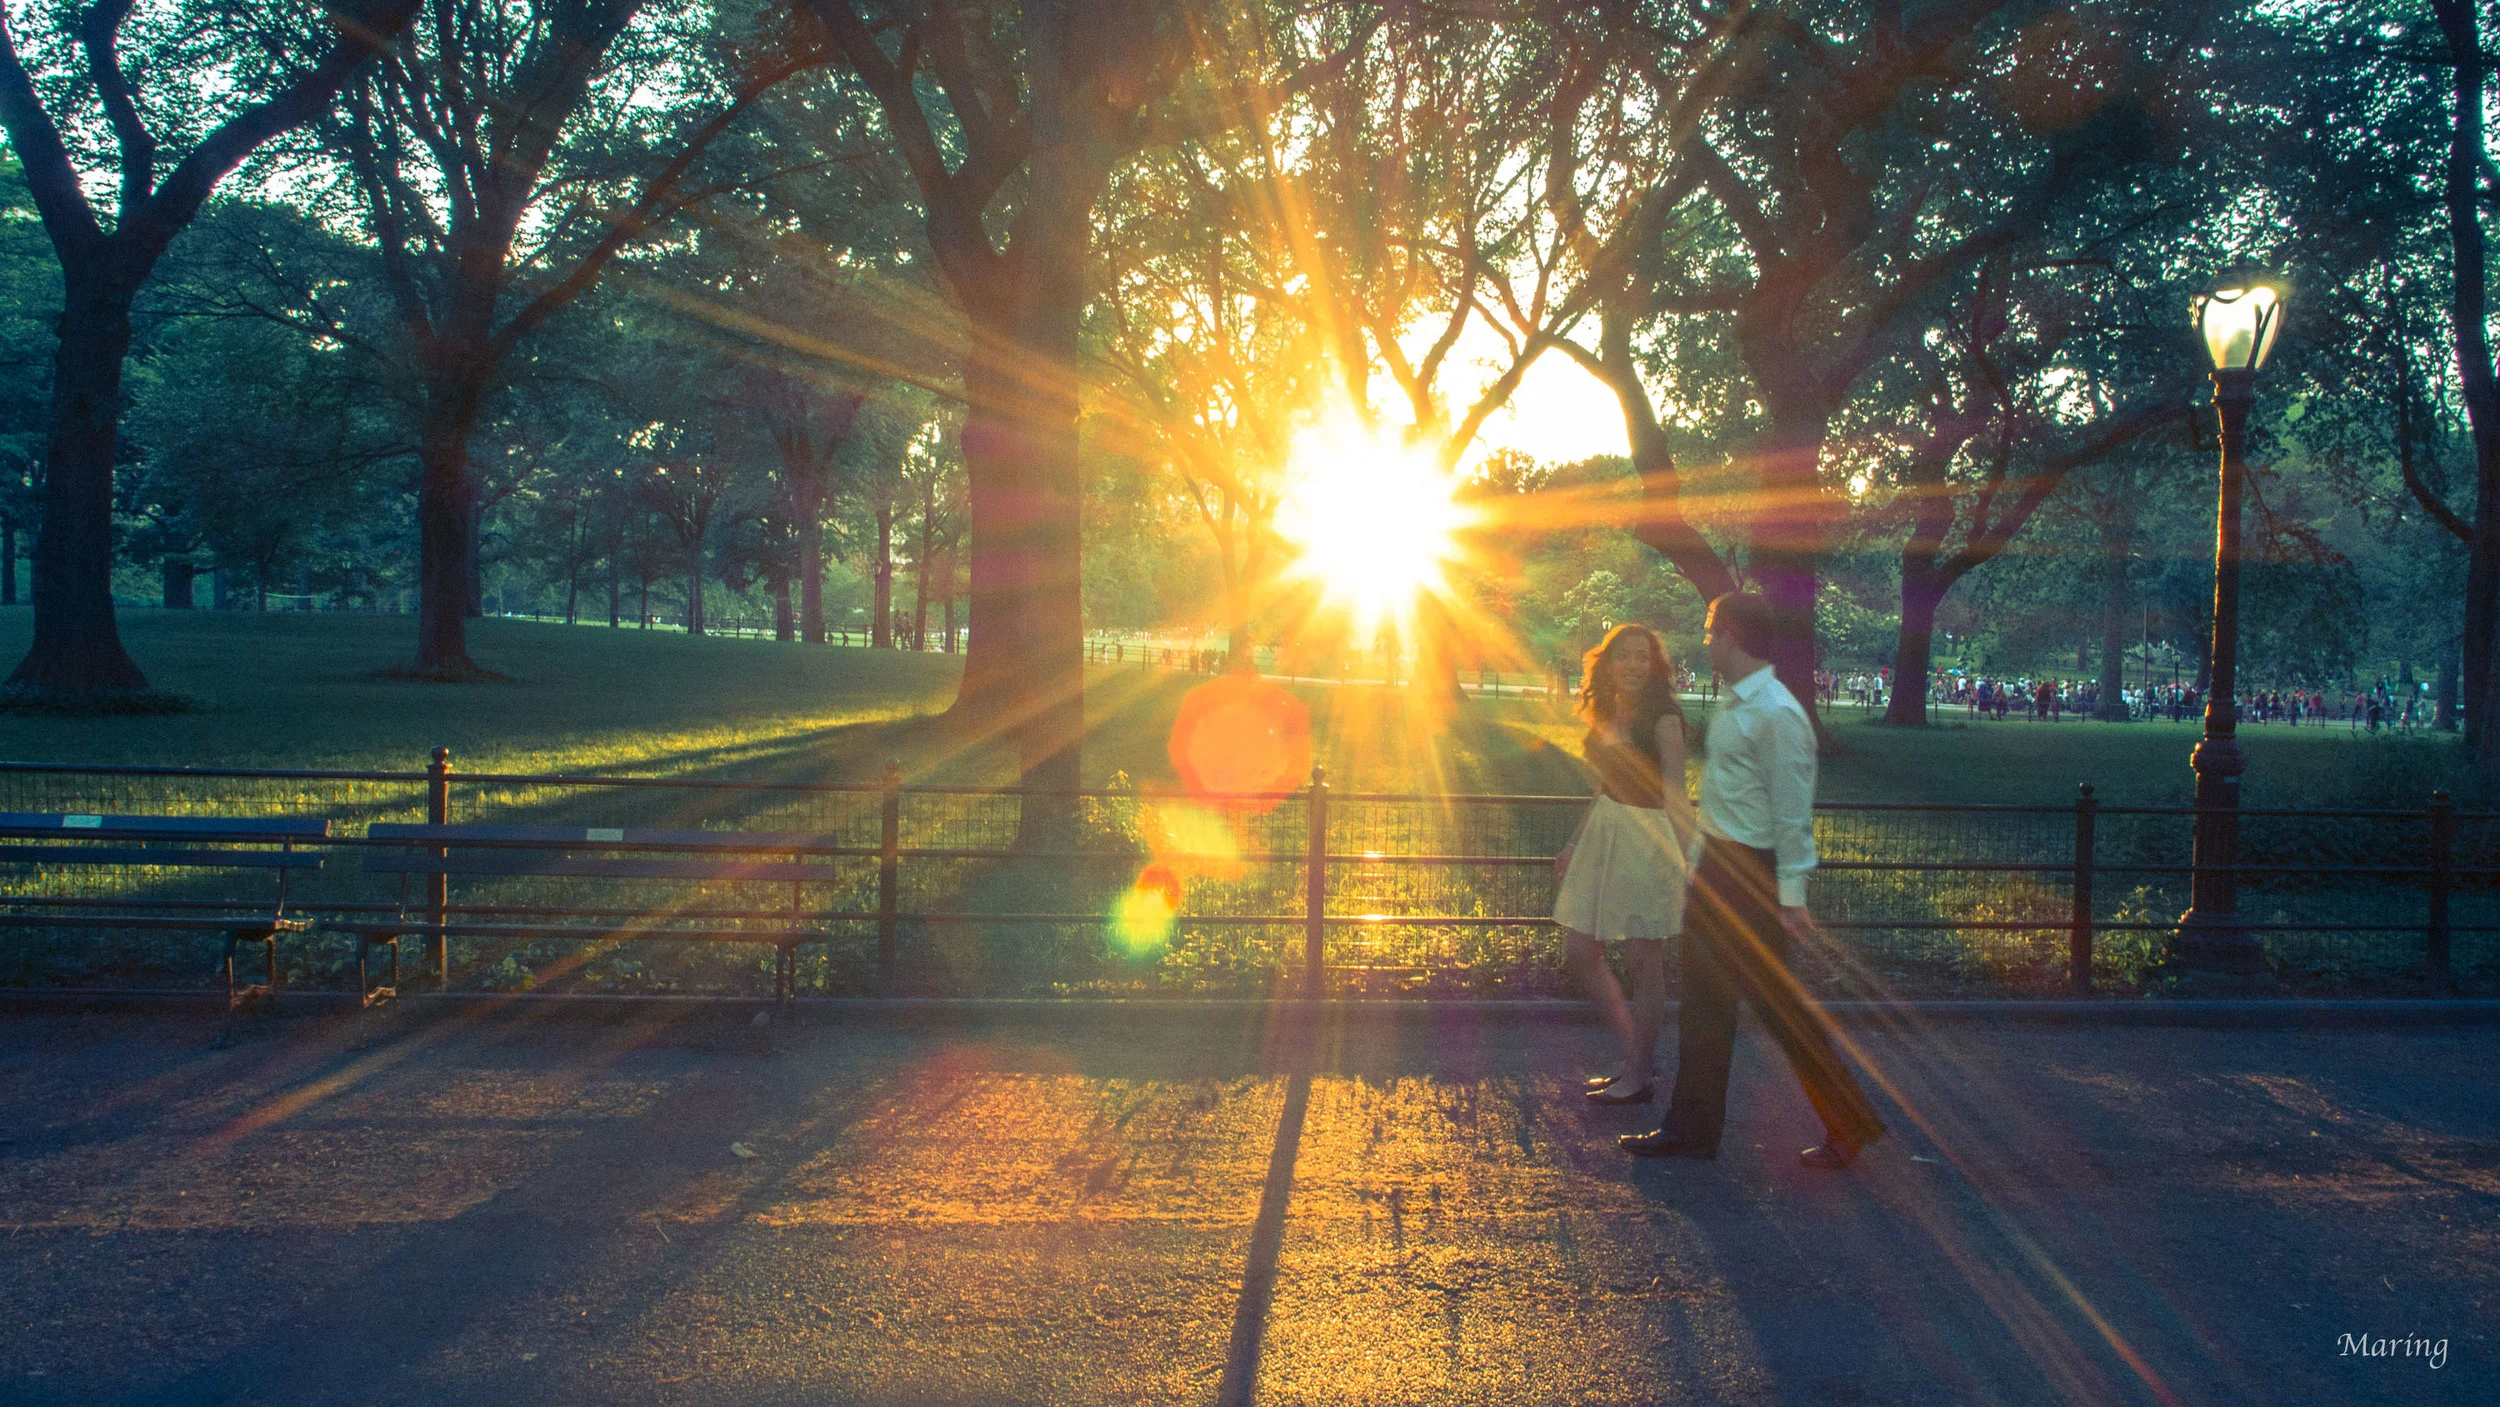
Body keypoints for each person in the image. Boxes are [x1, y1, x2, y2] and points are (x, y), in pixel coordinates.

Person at [1622, 593, 1889, 1170]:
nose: (1705, 637)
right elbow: (1724, 801)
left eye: (1711, 629)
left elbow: (1793, 814)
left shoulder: (1777, 715)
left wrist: (1790, 895)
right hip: (1720, 869)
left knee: (1775, 1008)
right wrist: (1698, 865)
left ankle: (1843, 1120)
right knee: (1706, 1005)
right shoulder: (1738, 704)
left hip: (1751, 876)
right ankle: (1696, 1129)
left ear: (1733, 636)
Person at [1554, 625, 1695, 1108]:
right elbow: (1603, 785)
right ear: (1608, 664)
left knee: (1641, 959)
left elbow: (1677, 795)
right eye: (1625, 657)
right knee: (1580, 948)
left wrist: (1691, 865)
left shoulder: (1664, 719)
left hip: (1647, 837)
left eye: (1643, 657)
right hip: (1605, 833)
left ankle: (1637, 1072)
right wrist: (1573, 842)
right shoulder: (1608, 712)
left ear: (1654, 665)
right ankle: (1638, 1053)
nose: (1635, 665)